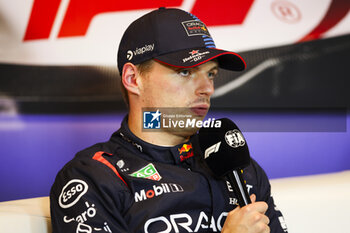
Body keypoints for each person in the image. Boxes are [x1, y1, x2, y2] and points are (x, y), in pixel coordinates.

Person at [50, 7, 288, 233]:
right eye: (185, 72)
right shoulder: (95, 177)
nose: (207, 88)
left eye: (211, 74)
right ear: (133, 78)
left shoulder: (238, 165)